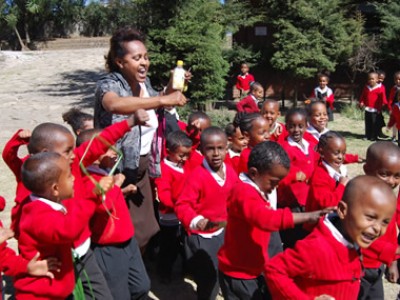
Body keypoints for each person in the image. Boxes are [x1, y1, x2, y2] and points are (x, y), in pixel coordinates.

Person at [94, 27, 188, 251]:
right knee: (118, 225)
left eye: (146, 57)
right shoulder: (110, 84)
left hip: (141, 165)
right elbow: (115, 104)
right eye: (136, 58)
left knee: (146, 227)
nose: (144, 62)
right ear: (119, 62)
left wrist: (169, 89)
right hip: (115, 167)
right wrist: (162, 101)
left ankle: (138, 268)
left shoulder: (144, 86)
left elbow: (157, 101)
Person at [217, 141, 334, 300]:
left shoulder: (257, 189)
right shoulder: (243, 192)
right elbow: (265, 219)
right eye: (273, 182)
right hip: (239, 273)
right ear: (254, 172)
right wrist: (310, 215)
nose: (276, 186)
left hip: (253, 269)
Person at [266, 175, 397, 300]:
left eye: (385, 222)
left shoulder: (352, 236)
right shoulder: (316, 247)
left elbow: (377, 248)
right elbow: (274, 270)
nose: (378, 228)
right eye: (370, 217)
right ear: (342, 210)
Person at [15, 152, 100, 299]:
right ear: (55, 189)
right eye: (68, 175)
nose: (73, 178)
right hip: (39, 295)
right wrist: (93, 196)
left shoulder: (49, 204)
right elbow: (68, 230)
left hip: (56, 291)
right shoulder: (37, 215)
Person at [78, 129, 150, 300]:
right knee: (118, 294)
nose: (115, 152)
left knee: (141, 286)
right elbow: (103, 206)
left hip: (127, 240)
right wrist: (116, 187)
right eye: (109, 148)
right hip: (107, 248)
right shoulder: (87, 179)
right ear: (93, 154)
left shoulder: (105, 173)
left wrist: (121, 190)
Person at [175, 126, 239, 300]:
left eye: (220, 148)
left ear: (227, 148)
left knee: (223, 271)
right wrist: (197, 220)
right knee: (208, 279)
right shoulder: (198, 176)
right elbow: (182, 205)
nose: (216, 153)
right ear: (202, 150)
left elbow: (235, 195)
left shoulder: (229, 170)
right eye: (210, 149)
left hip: (223, 231)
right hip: (202, 236)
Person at [358, 141, 400, 300]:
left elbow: (390, 233)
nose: (391, 181)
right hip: (358, 269)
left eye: (397, 176)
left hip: (377, 268)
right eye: (384, 174)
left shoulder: (388, 199)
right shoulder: (360, 199)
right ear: (367, 170)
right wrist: (394, 251)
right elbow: (362, 237)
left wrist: (393, 263)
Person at [154, 131, 192, 282]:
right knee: (168, 247)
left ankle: (186, 270)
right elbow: (164, 196)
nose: (185, 159)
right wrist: (179, 206)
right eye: (181, 155)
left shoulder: (185, 165)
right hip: (170, 217)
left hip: (184, 215)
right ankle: (164, 273)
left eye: (186, 155)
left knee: (184, 246)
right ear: (169, 152)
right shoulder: (164, 169)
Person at [306, 131, 350, 212]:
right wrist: (342, 186)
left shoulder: (341, 171)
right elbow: (327, 204)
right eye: (336, 153)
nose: (340, 157)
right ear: (322, 152)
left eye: (343, 153)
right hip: (319, 222)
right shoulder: (319, 176)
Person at [359, 72, 388, 141]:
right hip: (367, 109)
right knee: (368, 123)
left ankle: (374, 136)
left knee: (374, 124)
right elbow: (363, 96)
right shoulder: (366, 87)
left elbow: (383, 98)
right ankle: (367, 135)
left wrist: (383, 106)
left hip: (375, 109)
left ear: (377, 80)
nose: (370, 80)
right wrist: (361, 102)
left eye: (372, 79)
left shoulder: (381, 88)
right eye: (369, 79)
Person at [387, 72, 400, 144]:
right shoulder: (394, 89)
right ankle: (394, 136)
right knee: (394, 123)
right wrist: (390, 108)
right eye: (396, 79)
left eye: (399, 79)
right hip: (395, 108)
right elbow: (390, 99)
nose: (398, 81)